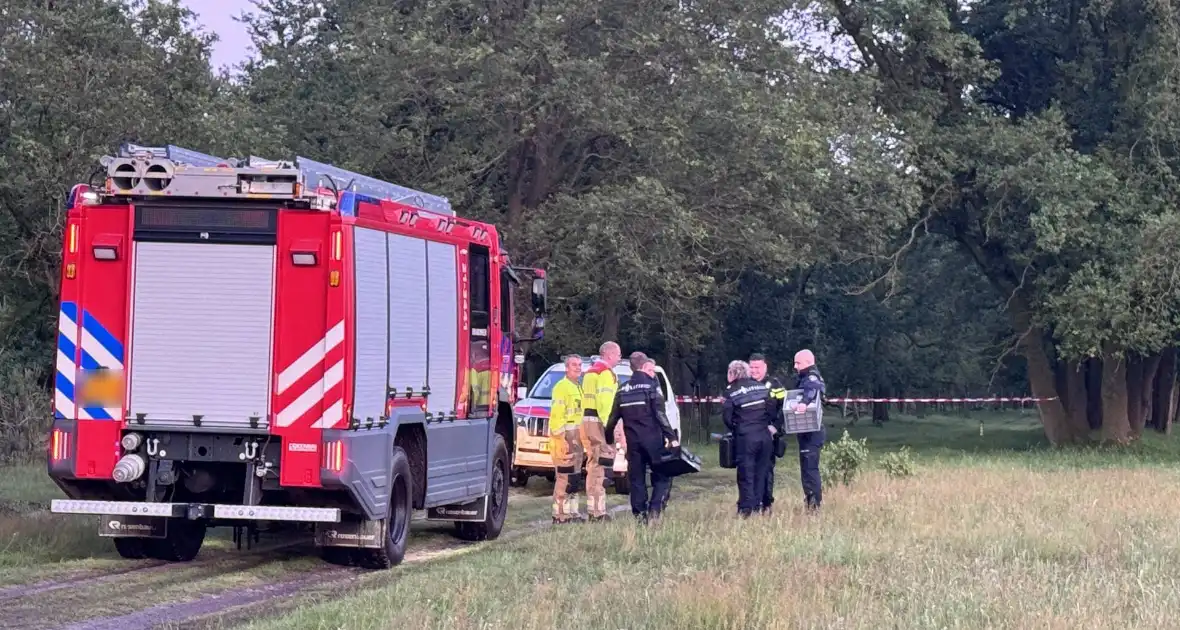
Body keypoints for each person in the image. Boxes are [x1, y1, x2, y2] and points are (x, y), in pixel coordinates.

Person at [604, 352, 679, 524]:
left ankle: (639, 515)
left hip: (633, 442)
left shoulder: (622, 389)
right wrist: (671, 436)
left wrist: (608, 437)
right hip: (653, 440)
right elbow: (660, 414)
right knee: (662, 474)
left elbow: (613, 417)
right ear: (645, 366)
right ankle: (655, 509)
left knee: (636, 479)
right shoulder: (652, 386)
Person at [721, 360, 777, 518]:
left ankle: (746, 510)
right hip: (765, 437)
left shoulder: (731, 391)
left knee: (746, 474)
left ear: (732, 374)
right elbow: (772, 410)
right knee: (761, 472)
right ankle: (758, 506)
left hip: (746, 438)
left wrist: (737, 428)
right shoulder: (761, 386)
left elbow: (727, 417)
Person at [579, 341, 621, 522]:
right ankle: (597, 512)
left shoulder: (589, 372)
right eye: (618, 354)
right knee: (600, 466)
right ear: (609, 355)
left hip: (586, 421)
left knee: (592, 464)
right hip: (598, 422)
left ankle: (593, 509)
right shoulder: (606, 374)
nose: (620, 358)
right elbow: (606, 402)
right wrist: (609, 429)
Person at [549, 355, 586, 524]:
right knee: (564, 477)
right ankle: (560, 515)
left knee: (575, 477)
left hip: (577, 437)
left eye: (579, 365)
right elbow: (557, 415)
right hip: (565, 437)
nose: (577, 368)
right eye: (574, 365)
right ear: (566, 368)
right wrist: (561, 438)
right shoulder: (562, 387)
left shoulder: (578, 386)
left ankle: (573, 513)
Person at [749, 353, 786, 515]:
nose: (754, 371)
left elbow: (785, 407)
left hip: (769, 434)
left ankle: (766, 503)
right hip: (749, 436)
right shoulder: (745, 384)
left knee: (766, 470)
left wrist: (776, 427)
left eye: (757, 367)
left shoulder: (775, 385)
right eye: (751, 367)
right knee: (748, 469)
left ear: (765, 367)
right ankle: (750, 503)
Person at [792, 349, 827, 511]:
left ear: (807, 362)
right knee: (806, 469)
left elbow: (812, 389)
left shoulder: (811, 376)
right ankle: (810, 502)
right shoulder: (803, 377)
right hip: (806, 431)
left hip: (813, 432)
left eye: (798, 363)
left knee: (810, 469)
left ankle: (814, 505)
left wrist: (804, 403)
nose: (795, 366)